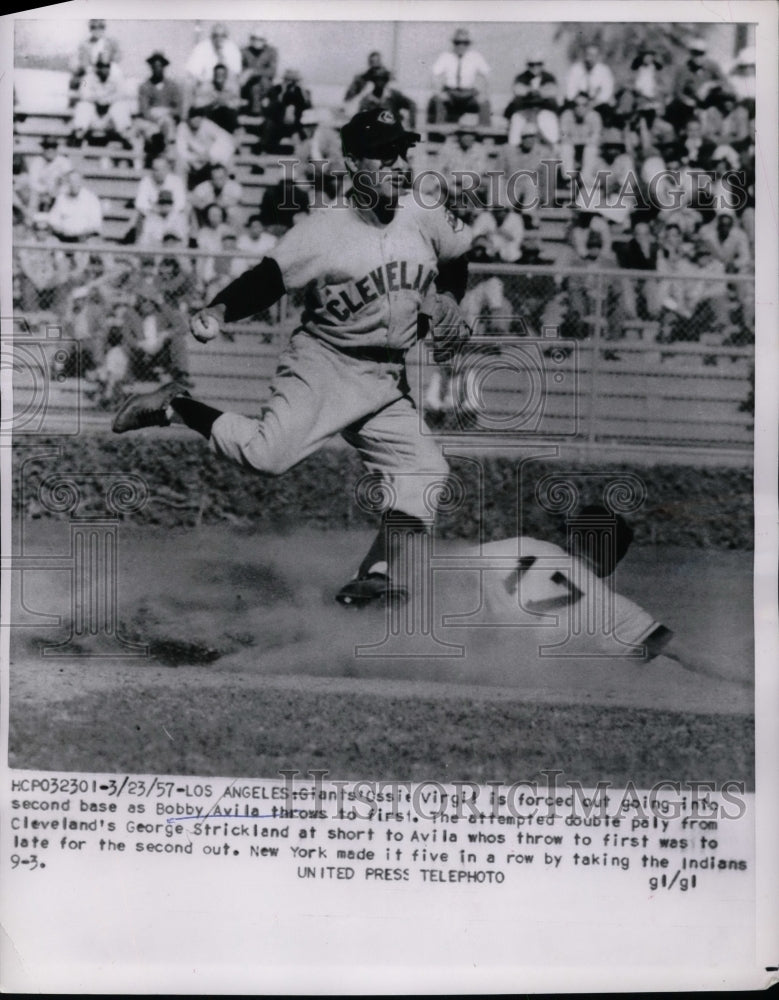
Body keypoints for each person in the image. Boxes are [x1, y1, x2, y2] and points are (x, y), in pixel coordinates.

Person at [112, 107, 474, 608]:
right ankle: (176, 406)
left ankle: (375, 576)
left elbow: (457, 256)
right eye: (383, 154)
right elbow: (266, 280)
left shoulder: (425, 211)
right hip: (325, 362)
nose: (398, 163)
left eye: (402, 152)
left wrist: (450, 297)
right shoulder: (322, 230)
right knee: (267, 456)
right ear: (353, 163)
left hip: (386, 377)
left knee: (427, 472)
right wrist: (219, 309)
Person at [428, 28, 491, 125]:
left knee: (485, 103)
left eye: (465, 43)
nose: (461, 46)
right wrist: (438, 92)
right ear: (453, 43)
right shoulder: (445, 56)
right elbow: (434, 74)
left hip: (469, 93)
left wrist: (484, 93)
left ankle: (485, 132)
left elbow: (487, 75)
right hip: (450, 93)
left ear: (469, 44)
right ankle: (438, 131)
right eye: (457, 42)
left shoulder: (476, 57)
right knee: (437, 101)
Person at [70, 56, 133, 148]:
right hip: (93, 116)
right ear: (96, 67)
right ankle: (78, 135)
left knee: (120, 106)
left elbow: (122, 94)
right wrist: (98, 99)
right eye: (101, 66)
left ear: (110, 67)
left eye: (106, 66)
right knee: (83, 105)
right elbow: (84, 94)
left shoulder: (117, 78)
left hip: (110, 118)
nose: (104, 69)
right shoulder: (87, 78)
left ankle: (126, 136)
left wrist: (107, 100)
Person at [136, 51, 184, 164]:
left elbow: (179, 109)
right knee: (146, 132)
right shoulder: (145, 86)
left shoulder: (172, 86)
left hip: (168, 120)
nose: (157, 69)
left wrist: (166, 112)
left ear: (164, 67)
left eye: (160, 66)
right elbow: (144, 110)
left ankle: (170, 157)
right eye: (154, 66)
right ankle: (144, 162)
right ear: (151, 67)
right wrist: (156, 116)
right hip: (151, 121)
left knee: (170, 127)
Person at [504, 56, 559, 146]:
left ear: (542, 65)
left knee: (549, 121)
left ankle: (552, 149)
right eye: (531, 64)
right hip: (526, 110)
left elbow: (552, 91)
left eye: (538, 64)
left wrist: (530, 91)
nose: (535, 67)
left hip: (544, 109)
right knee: (516, 120)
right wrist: (537, 91)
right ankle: (514, 148)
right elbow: (518, 90)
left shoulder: (549, 77)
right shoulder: (521, 77)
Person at [175, 107, 235, 188]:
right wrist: (196, 158)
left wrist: (212, 154)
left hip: (210, 158)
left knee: (227, 160)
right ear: (189, 118)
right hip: (193, 160)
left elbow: (225, 139)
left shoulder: (207, 125)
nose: (196, 120)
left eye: (199, 117)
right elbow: (181, 151)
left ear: (202, 118)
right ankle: (181, 190)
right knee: (180, 163)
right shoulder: (183, 127)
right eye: (193, 117)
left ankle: (229, 188)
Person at [68, 18, 121, 107]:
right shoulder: (85, 44)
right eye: (93, 27)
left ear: (104, 28)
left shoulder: (111, 42)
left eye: (100, 26)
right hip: (91, 71)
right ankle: (75, 105)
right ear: (90, 29)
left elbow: (117, 57)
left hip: (107, 70)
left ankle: (110, 104)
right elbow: (84, 62)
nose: (97, 29)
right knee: (82, 81)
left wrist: (108, 66)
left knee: (115, 78)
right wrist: (91, 69)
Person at [259, 69, 312, 153]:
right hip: (278, 123)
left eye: (294, 81)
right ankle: (266, 150)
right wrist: (283, 92)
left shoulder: (300, 92)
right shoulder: (276, 89)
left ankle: (300, 152)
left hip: (295, 124)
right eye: (288, 80)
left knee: (301, 136)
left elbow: (308, 106)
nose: (291, 84)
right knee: (269, 128)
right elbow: (272, 107)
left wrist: (302, 90)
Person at [48, 170, 103, 242]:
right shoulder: (61, 198)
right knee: (51, 241)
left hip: (84, 238)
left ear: (81, 182)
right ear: (67, 183)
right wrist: (62, 230)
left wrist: (80, 233)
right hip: (64, 237)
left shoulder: (91, 199)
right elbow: (53, 220)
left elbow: (95, 224)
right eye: (71, 181)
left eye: (76, 181)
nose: (73, 184)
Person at [565, 43, 615, 117]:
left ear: (598, 57)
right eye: (588, 55)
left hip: (597, 104)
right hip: (578, 102)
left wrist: (592, 104)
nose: (589, 58)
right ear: (584, 55)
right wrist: (578, 101)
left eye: (593, 55)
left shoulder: (604, 70)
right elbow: (570, 91)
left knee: (608, 111)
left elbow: (606, 92)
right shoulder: (575, 69)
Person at [193, 62, 243, 134]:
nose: (220, 77)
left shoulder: (232, 86)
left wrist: (226, 103)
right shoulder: (206, 86)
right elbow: (197, 103)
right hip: (211, 114)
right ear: (214, 75)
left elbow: (237, 102)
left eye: (222, 74)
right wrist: (212, 101)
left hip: (227, 115)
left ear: (226, 75)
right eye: (218, 74)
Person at [27, 136, 72, 214]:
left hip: (59, 193)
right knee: (33, 196)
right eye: (47, 147)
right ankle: (33, 217)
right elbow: (33, 183)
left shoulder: (64, 161)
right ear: (43, 149)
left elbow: (69, 181)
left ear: (56, 149)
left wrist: (56, 190)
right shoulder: (37, 162)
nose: (50, 150)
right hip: (42, 194)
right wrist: (45, 190)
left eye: (53, 147)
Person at [240, 32, 278, 115]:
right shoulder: (244, 51)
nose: (257, 41)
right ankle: (256, 112)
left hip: (265, 84)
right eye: (254, 38)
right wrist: (248, 74)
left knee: (260, 82)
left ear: (264, 40)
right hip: (249, 84)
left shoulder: (271, 51)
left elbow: (272, 71)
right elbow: (241, 70)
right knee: (255, 86)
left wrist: (253, 72)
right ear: (251, 39)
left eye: (260, 39)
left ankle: (257, 111)